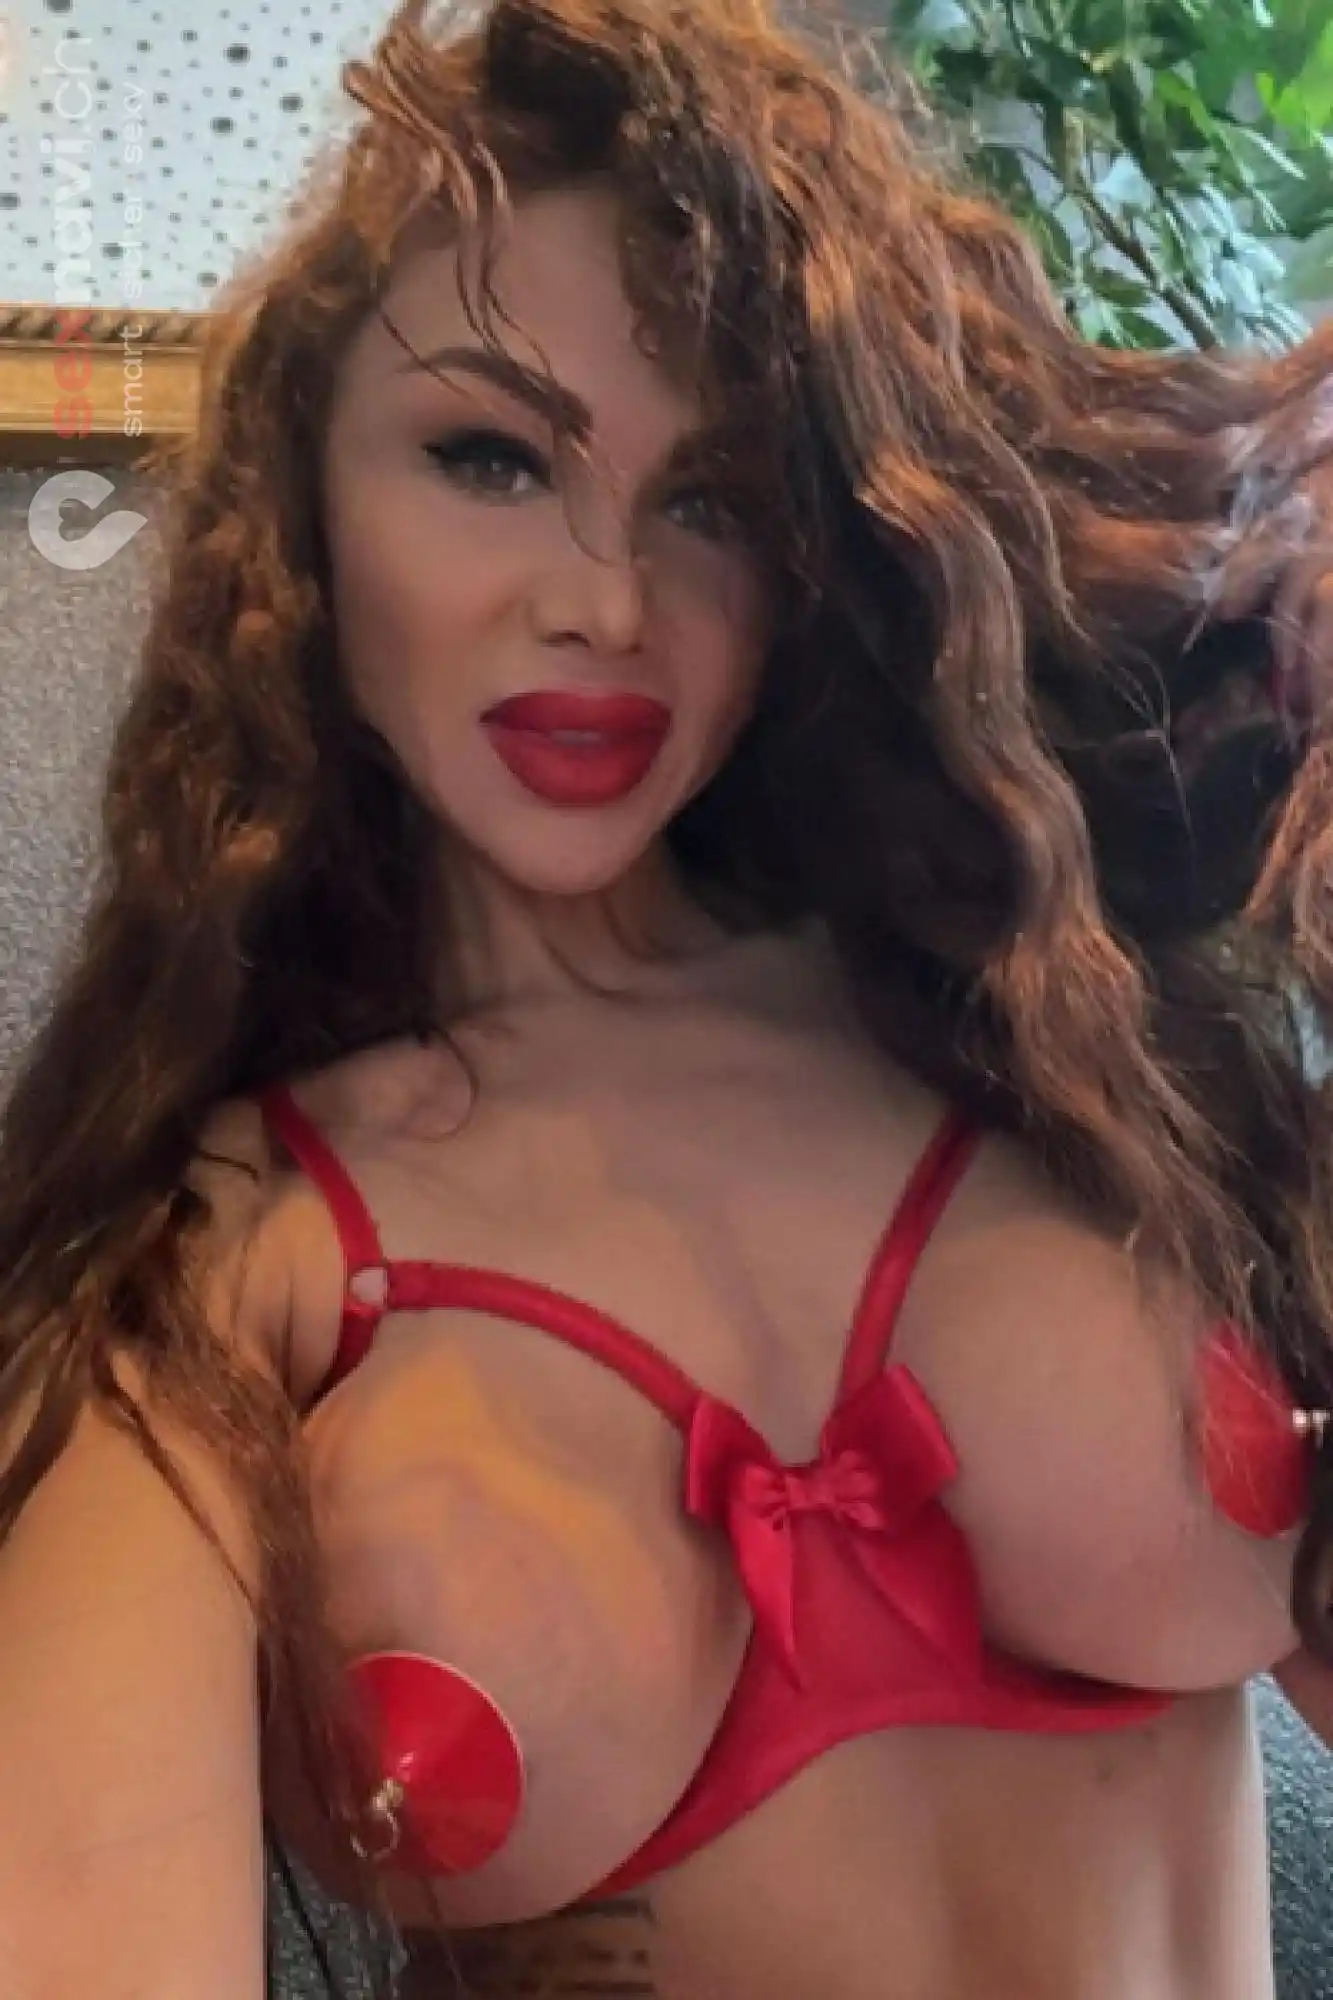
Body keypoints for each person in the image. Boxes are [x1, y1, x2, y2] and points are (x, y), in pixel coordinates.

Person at [3, 0, 1333, 1994]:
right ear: (302, 514)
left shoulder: (1051, 1046)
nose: (607, 596)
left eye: (710, 497)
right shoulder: (225, 1277)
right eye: (488, 457)